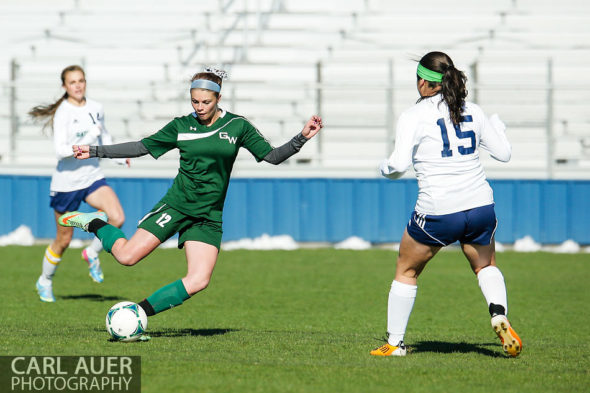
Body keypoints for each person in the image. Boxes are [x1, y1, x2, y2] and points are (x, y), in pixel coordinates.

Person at [58, 68, 323, 322]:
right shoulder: (181, 126)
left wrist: (301, 137)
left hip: (208, 216)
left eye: (206, 101)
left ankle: (136, 314)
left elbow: (273, 156)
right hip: (177, 206)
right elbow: (141, 147)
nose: (199, 107)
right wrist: (95, 151)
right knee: (127, 257)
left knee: (199, 280)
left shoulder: (237, 126)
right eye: (194, 101)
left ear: (219, 98)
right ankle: (93, 223)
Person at [370, 52, 522, 357]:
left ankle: (395, 344)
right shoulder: (473, 111)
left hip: (439, 209)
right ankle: (498, 315)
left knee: (406, 269)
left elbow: (398, 166)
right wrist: (498, 128)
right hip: (480, 205)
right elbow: (504, 154)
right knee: (485, 265)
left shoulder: (413, 115)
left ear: (425, 83)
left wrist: (383, 167)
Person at [29, 65, 128, 302]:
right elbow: (61, 151)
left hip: (91, 176)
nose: (78, 85)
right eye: (72, 82)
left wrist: (118, 158)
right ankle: (45, 280)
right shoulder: (63, 112)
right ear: (64, 86)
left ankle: (91, 253)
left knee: (117, 217)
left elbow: (104, 137)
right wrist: (88, 140)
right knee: (63, 239)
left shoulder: (96, 107)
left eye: (81, 80)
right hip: (67, 183)